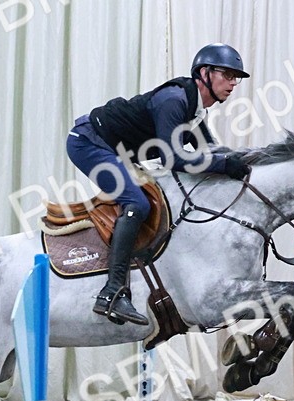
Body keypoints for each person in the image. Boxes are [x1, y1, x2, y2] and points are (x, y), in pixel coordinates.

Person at [66, 43, 252, 325]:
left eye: (235, 77)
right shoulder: (174, 102)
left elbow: (211, 150)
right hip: (88, 142)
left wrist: (243, 161)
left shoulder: (195, 109)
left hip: (114, 148)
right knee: (136, 203)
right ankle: (112, 292)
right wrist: (226, 165)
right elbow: (172, 159)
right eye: (226, 74)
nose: (232, 83)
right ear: (204, 73)